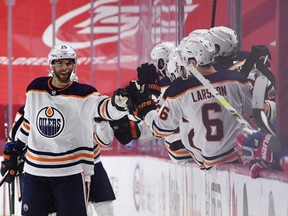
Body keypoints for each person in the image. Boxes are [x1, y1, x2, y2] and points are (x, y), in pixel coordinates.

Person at [1, 43, 129, 216]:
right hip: (35, 171)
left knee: (102, 207)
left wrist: (118, 105)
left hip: (70, 172)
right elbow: (29, 124)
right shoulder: (35, 88)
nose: (64, 67)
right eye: (60, 63)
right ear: (51, 64)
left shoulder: (85, 94)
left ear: (74, 65)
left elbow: (105, 108)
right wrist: (15, 148)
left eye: (69, 63)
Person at [127, 35, 253, 170]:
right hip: (240, 156)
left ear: (193, 61)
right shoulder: (237, 80)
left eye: (185, 60)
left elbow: (161, 128)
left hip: (208, 161)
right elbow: (252, 113)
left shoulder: (180, 90)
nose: (183, 64)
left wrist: (146, 111)